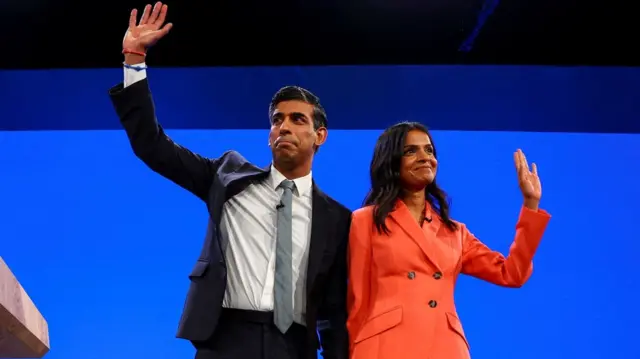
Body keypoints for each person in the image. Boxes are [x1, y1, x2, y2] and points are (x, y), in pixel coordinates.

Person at [108, 3, 351, 359]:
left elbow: (333, 312)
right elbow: (152, 145)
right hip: (225, 341)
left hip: (294, 347)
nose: (283, 127)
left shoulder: (337, 219)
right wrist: (134, 58)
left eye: (297, 119)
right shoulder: (227, 177)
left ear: (320, 136)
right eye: (276, 120)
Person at [346, 122, 551, 359]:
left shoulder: (455, 232)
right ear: (391, 161)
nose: (425, 158)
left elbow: (512, 273)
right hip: (385, 346)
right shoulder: (366, 221)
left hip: (445, 347)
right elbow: (357, 303)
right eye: (411, 151)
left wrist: (530, 204)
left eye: (429, 150)